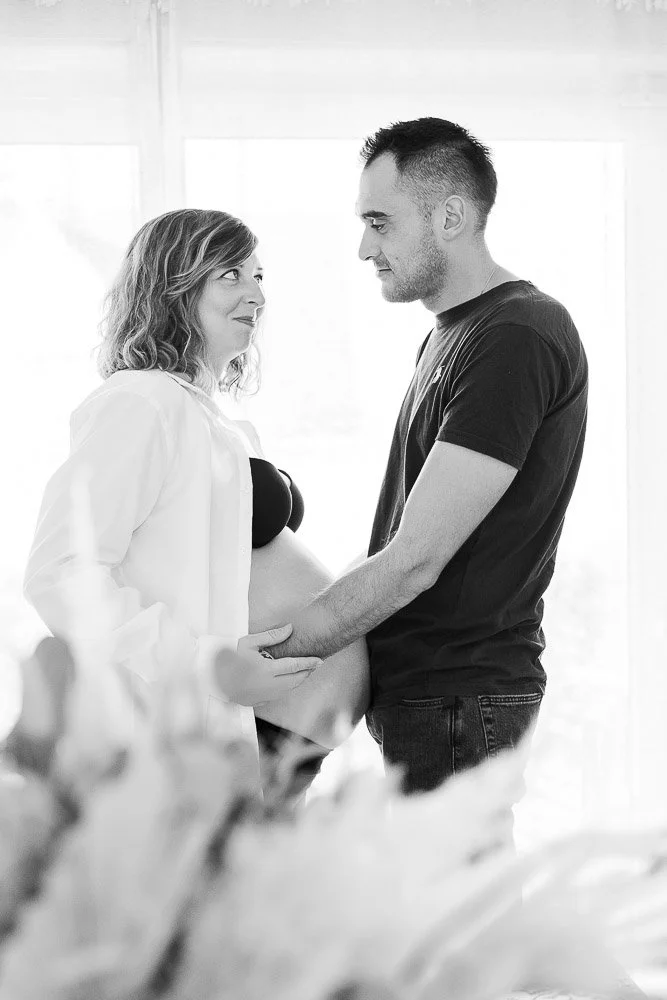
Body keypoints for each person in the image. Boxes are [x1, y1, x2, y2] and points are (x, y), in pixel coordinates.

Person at [259, 118, 588, 801]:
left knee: (452, 908)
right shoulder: (453, 337)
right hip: (433, 697)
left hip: (460, 698)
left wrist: (256, 663)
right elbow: (392, 542)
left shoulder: (515, 336)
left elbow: (415, 560)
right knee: (438, 907)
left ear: (450, 216)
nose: (362, 247)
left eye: (379, 222)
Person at [22, 208, 369, 785]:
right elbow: (60, 573)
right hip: (185, 730)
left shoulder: (209, 416)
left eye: (259, 276)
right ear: (172, 289)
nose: (256, 294)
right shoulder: (139, 404)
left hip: (257, 736)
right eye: (230, 275)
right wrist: (213, 667)